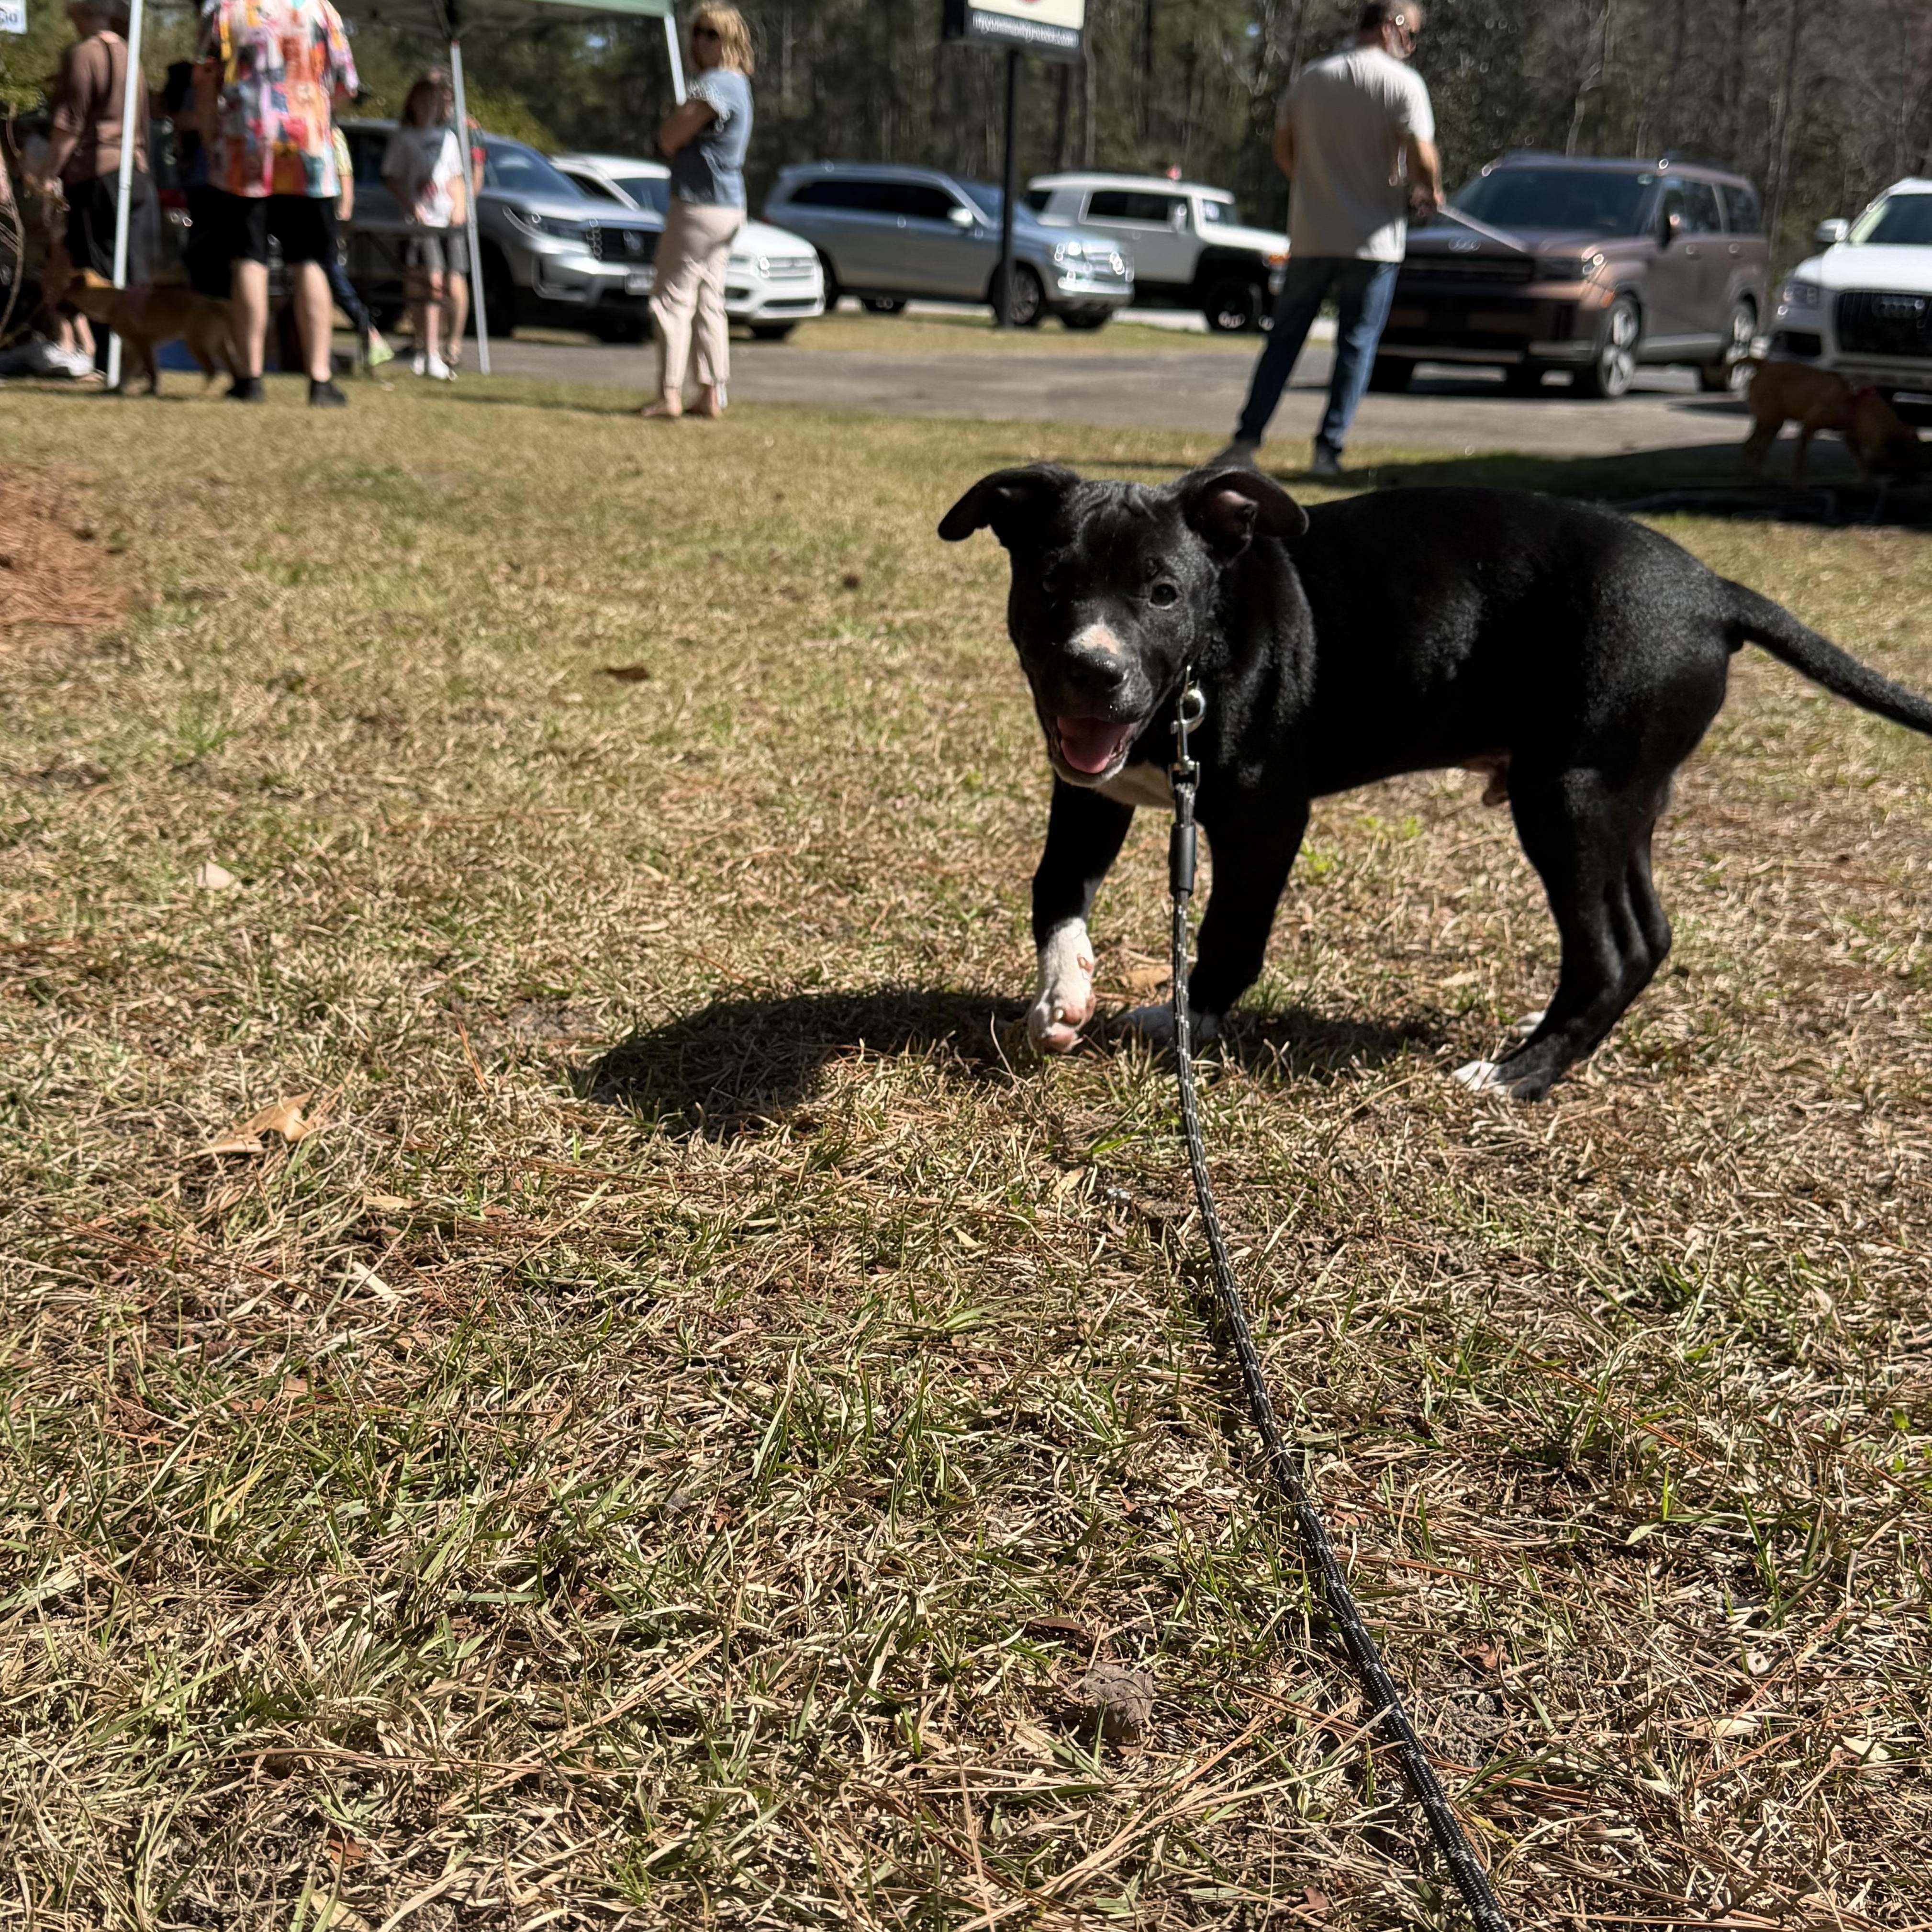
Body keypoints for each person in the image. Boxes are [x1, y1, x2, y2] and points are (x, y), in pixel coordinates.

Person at [1214, 0, 1440, 479]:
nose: (1411, 46)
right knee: (1355, 346)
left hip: (1312, 234)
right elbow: (1421, 153)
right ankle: (1326, 451)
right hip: (1373, 241)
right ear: (1391, 28)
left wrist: (1318, 188)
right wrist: (1429, 190)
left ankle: (1245, 441)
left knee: (1284, 341)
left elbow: (1284, 151)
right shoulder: (1402, 84)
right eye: (1411, 34)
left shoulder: (1310, 79)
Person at [195, 0, 358, 407]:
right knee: (310, 261)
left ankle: (250, 378)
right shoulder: (323, 11)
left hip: (245, 144)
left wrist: (211, 140)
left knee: (248, 259)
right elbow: (345, 87)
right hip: (309, 147)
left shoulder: (226, 9)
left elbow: (205, 81)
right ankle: (319, 379)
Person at [639, 3, 753, 422]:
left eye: (711, 34)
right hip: (727, 206)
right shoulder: (739, 83)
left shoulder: (717, 84)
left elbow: (670, 137)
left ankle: (669, 394)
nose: (700, 42)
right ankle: (709, 394)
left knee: (671, 299)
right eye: (697, 33)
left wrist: (676, 117)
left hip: (699, 204)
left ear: (730, 41)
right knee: (709, 301)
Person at [37, 0, 159, 306]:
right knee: (134, 279)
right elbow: (144, 124)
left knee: (101, 282)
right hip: (135, 173)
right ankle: (129, 352)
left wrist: (47, 175)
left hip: (98, 179)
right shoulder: (132, 58)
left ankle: (106, 353)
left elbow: (69, 127)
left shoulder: (84, 55)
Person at [382, 71, 467, 382]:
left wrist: (460, 206)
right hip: (421, 222)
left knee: (451, 282)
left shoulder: (449, 138)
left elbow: (457, 177)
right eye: (423, 99)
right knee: (428, 280)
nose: (429, 105)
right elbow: (391, 177)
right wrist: (412, 206)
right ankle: (427, 350)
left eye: (434, 99)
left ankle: (447, 345)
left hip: (447, 220)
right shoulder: (404, 138)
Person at [328, 123, 392, 370]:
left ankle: (370, 331)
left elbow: (346, 177)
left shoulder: (334, 135)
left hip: (328, 223)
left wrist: (343, 220)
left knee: (334, 280)